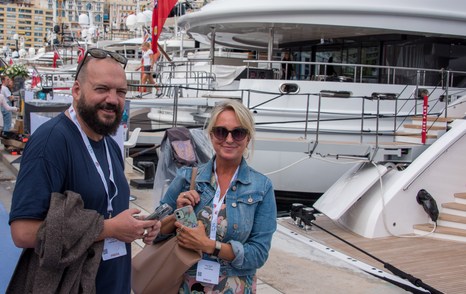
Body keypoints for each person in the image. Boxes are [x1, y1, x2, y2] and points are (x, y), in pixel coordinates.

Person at [8, 48, 161, 293]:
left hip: (113, 282)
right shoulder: (51, 141)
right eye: (102, 89)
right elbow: (23, 232)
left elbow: (107, 210)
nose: (113, 99)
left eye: (120, 92)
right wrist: (110, 229)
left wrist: (137, 226)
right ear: (77, 91)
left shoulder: (110, 144)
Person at [159, 100, 277, 292]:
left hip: (234, 286)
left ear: (247, 138)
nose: (229, 139)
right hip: (187, 284)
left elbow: (259, 254)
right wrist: (177, 214)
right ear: (212, 135)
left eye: (238, 133)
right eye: (222, 131)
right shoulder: (187, 177)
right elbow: (155, 232)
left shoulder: (261, 187)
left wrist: (209, 245)